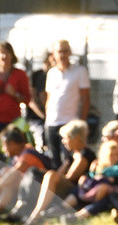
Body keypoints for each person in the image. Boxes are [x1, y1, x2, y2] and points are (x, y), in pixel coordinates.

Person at [37, 40, 90, 170]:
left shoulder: (79, 71)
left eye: (65, 51)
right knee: (54, 160)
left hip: (70, 123)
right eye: (59, 51)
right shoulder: (51, 73)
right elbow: (49, 98)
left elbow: (85, 98)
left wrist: (81, 122)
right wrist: (47, 119)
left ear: (70, 52)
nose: (62, 55)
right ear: (54, 54)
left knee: (70, 160)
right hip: (52, 123)